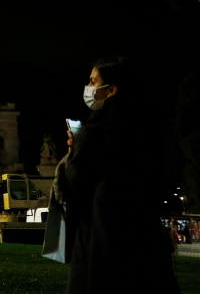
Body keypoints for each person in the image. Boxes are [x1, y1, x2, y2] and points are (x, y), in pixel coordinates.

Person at [58, 57, 178, 293]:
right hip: (142, 241)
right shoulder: (147, 134)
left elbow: (73, 189)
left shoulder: (91, 134)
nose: (89, 87)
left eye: (93, 82)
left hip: (98, 240)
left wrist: (72, 153)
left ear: (111, 90)